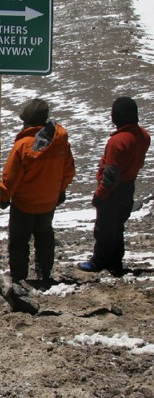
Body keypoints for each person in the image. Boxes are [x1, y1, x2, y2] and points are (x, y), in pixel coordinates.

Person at [0, 98, 75, 283]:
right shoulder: (59, 142)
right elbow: (69, 170)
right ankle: (44, 274)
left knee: (19, 241)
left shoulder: (23, 145)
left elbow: (10, 177)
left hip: (24, 204)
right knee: (45, 237)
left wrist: (3, 197)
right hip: (49, 202)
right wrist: (60, 191)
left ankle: (19, 278)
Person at [78, 96, 150, 276]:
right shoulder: (143, 135)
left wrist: (100, 195)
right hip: (129, 186)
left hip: (114, 191)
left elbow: (110, 175)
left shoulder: (117, 142)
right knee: (118, 227)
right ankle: (115, 262)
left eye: (114, 114)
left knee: (104, 230)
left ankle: (98, 262)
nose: (111, 116)